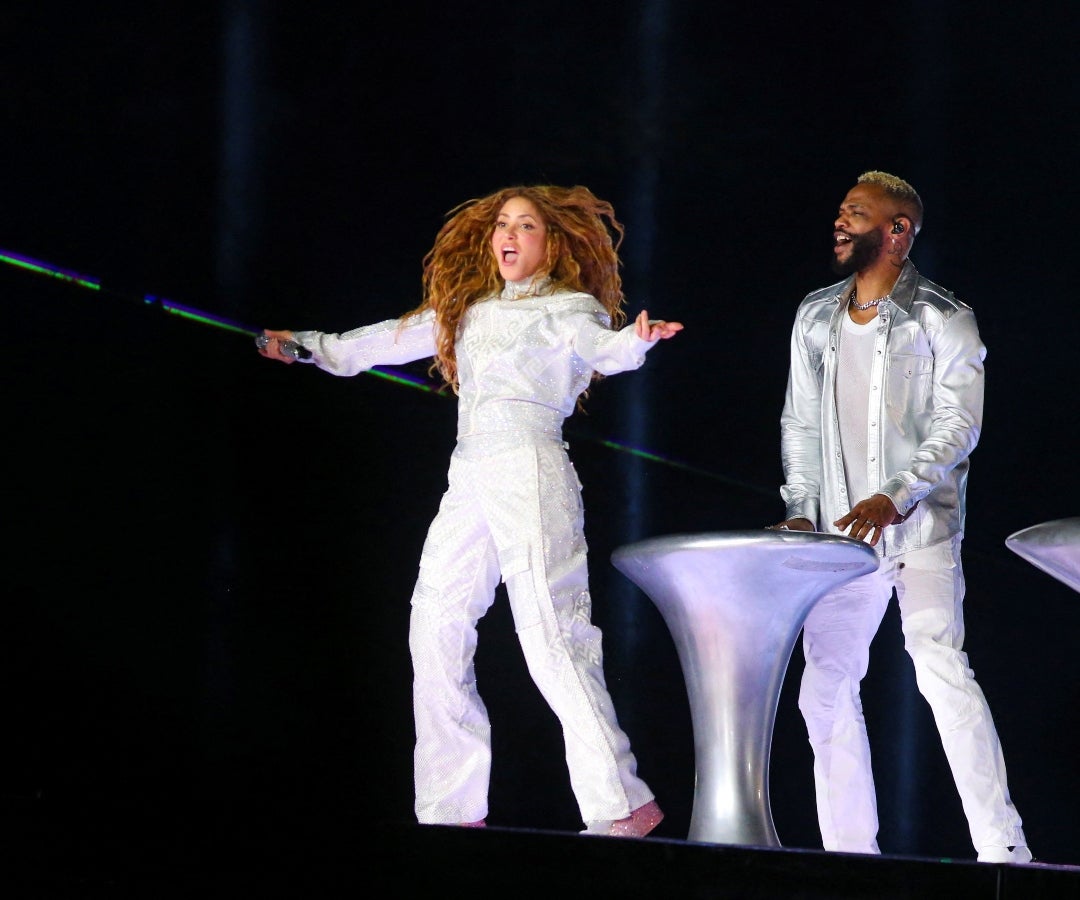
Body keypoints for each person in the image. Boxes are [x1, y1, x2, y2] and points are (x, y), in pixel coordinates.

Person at [257, 184, 681, 836]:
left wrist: (636, 341)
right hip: (472, 476)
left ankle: (619, 802)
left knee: (552, 635)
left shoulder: (569, 309)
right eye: (502, 225)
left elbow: (605, 349)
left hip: (532, 468)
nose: (509, 235)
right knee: (435, 623)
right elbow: (381, 341)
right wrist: (309, 345)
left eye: (527, 225)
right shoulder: (470, 310)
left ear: (552, 242)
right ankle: (449, 811)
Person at [769, 170, 1031, 863]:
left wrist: (898, 492)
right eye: (841, 211)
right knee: (822, 690)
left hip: (919, 531)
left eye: (856, 213)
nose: (840, 222)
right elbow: (799, 421)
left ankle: (1004, 850)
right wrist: (801, 508)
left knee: (939, 669)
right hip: (840, 537)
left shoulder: (944, 317)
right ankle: (851, 856)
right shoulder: (815, 315)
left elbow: (957, 426)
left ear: (897, 230)